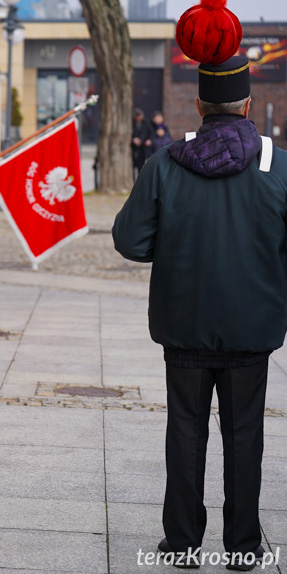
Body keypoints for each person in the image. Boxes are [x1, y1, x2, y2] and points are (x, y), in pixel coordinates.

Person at [113, 47, 287, 570]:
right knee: (245, 436)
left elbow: (129, 240)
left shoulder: (166, 162)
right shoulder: (278, 165)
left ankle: (183, 543)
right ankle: (243, 547)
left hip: (184, 322)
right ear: (249, 104)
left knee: (185, 432)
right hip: (252, 325)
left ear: (198, 103)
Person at [131, 108, 151, 181]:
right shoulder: (131, 123)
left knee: (141, 165)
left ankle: (140, 179)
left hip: (143, 147)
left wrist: (148, 140)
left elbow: (151, 133)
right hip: (133, 147)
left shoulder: (146, 123)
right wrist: (133, 139)